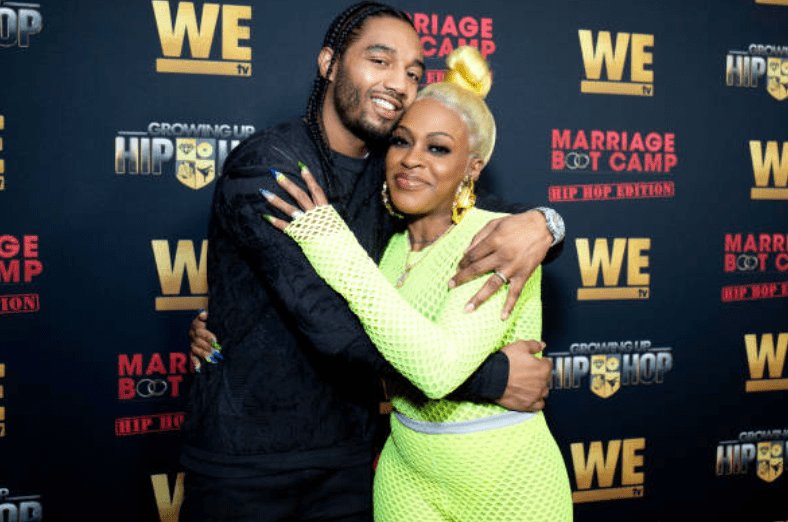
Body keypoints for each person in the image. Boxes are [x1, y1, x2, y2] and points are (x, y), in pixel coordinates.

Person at [180, 3, 564, 521]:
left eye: (412, 72)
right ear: (329, 64)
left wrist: (545, 225)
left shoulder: (393, 177)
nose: (398, 83)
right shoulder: (270, 165)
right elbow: (329, 326)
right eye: (379, 61)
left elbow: (483, 217)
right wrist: (491, 378)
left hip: (349, 458)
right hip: (249, 460)